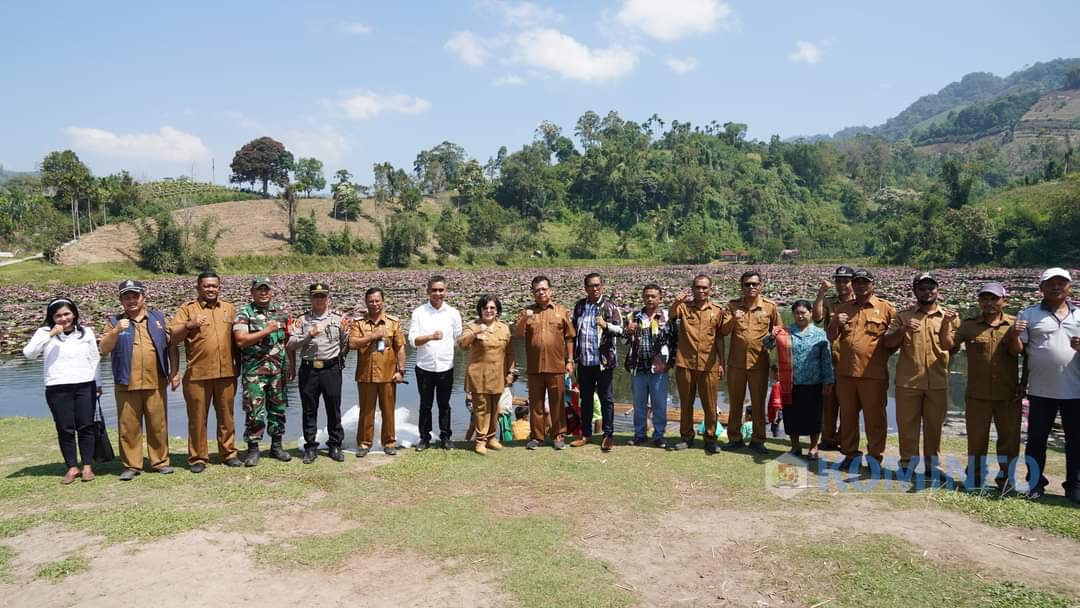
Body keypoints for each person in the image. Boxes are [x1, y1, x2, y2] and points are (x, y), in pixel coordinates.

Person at [1012, 267, 1080, 504]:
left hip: (1075, 390)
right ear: (1041, 287)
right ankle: (1035, 483)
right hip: (1040, 390)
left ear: (1070, 287)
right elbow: (1021, 353)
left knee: (1076, 442)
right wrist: (1022, 382)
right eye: (1051, 283)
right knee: (1036, 440)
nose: (1056, 286)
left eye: (1062, 282)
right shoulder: (1028, 314)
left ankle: (1074, 486)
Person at [99, 280, 178, 481]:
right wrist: (116, 330)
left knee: (158, 424)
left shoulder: (158, 318)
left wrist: (175, 372)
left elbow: (172, 345)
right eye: (127, 297)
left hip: (156, 381)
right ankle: (132, 465)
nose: (131, 300)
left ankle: (160, 462)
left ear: (144, 297)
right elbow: (104, 349)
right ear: (121, 300)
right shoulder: (113, 320)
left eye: (135, 296)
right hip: (126, 382)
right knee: (128, 426)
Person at [883, 273, 958, 479]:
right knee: (907, 425)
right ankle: (907, 463)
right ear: (915, 291)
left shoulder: (949, 316)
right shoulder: (903, 316)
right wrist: (904, 330)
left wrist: (947, 325)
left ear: (937, 290)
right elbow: (888, 343)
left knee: (935, 426)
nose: (927, 292)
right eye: (922, 288)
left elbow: (951, 347)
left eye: (931, 288)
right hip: (908, 380)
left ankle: (933, 465)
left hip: (938, 379)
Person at [169, 272, 242, 473]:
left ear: (219, 287)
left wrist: (239, 367)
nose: (211, 289)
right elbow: (172, 338)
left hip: (226, 372)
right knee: (197, 418)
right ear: (198, 287)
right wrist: (189, 325)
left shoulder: (228, 308)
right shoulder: (187, 309)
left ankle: (229, 453)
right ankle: (198, 457)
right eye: (207, 286)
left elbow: (238, 340)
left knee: (227, 416)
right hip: (197, 374)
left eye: (214, 286)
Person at [22, 298, 101, 484]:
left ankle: (87, 466)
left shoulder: (85, 332)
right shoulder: (44, 332)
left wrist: (98, 384)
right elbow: (29, 354)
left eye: (67, 314)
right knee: (65, 428)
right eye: (58, 315)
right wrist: (50, 334)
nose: (63, 319)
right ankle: (72, 467)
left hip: (85, 384)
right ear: (51, 317)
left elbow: (94, 358)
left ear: (74, 314)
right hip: (57, 387)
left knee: (86, 425)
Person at [951, 282, 1021, 490]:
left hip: (1007, 392)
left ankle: (1006, 480)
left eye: (994, 299)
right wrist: (947, 326)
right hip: (977, 393)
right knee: (976, 439)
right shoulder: (969, 325)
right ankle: (974, 477)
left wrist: (1023, 383)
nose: (989, 303)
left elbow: (1022, 354)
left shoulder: (1014, 324)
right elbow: (950, 346)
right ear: (979, 301)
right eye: (985, 299)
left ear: (1004, 301)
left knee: (1008, 440)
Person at [827, 269, 896, 471]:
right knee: (847, 418)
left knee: (874, 419)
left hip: (872, 374)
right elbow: (831, 336)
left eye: (865, 282)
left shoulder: (886, 309)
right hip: (846, 373)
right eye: (857, 282)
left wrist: (882, 359)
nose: (860, 286)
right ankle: (850, 455)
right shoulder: (844, 308)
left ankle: (875, 457)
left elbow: (895, 340)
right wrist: (833, 322)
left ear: (873, 284)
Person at [287, 282, 350, 464]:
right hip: (309, 369)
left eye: (323, 296)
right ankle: (310, 447)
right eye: (316, 296)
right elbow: (290, 344)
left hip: (331, 369)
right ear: (310, 298)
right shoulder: (302, 320)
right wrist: (309, 336)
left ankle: (335, 445)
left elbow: (347, 343)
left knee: (333, 408)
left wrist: (339, 361)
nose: (320, 299)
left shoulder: (339, 319)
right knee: (309, 409)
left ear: (328, 298)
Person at [721, 270, 782, 454]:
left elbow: (779, 330)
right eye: (747, 284)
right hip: (736, 364)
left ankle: (758, 440)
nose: (751, 287)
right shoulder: (731, 306)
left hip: (759, 363)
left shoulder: (770, 307)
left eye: (754, 284)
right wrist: (734, 318)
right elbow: (723, 331)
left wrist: (774, 337)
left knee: (758, 403)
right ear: (741, 287)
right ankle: (734, 438)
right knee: (735, 402)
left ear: (761, 285)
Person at [233, 276, 291, 467]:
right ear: (253, 292)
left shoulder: (281, 312)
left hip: (278, 371)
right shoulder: (244, 313)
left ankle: (276, 446)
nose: (263, 292)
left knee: (278, 409)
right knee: (254, 410)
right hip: (254, 372)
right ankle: (253, 449)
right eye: (260, 289)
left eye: (267, 289)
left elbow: (287, 341)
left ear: (272, 292)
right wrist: (266, 330)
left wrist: (291, 366)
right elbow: (240, 340)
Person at [515, 275, 575, 450]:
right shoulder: (527, 312)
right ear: (533, 293)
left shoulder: (561, 311)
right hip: (534, 367)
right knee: (536, 404)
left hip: (556, 365)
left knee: (557, 403)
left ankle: (558, 436)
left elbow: (569, 337)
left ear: (550, 291)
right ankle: (537, 437)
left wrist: (570, 360)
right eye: (537, 290)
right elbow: (518, 335)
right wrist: (524, 319)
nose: (540, 292)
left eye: (543, 289)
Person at [668, 274, 726, 453]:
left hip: (709, 364)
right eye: (698, 287)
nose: (701, 291)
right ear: (692, 289)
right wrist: (676, 302)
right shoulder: (684, 308)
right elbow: (670, 316)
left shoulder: (717, 310)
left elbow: (719, 339)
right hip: (685, 363)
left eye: (704, 287)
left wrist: (722, 362)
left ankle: (710, 438)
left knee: (710, 404)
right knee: (686, 403)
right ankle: (686, 437)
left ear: (710, 289)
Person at [769, 300, 834, 460]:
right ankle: (795, 446)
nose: (800, 316)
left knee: (814, 416)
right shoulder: (785, 332)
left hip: (814, 381)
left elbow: (826, 359)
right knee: (792, 416)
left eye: (803, 313)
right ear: (793, 314)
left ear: (811, 313)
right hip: (790, 382)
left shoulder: (820, 334)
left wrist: (828, 380)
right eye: (797, 313)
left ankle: (813, 448)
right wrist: (772, 335)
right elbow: (766, 345)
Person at [349, 287, 407, 457]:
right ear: (366, 302)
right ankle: (364, 444)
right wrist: (372, 336)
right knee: (366, 411)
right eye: (371, 301)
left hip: (388, 375)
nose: (374, 304)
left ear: (382, 301)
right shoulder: (359, 323)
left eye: (377, 300)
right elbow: (352, 344)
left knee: (388, 410)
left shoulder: (392, 322)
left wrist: (401, 371)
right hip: (366, 374)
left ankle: (389, 442)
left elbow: (400, 348)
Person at [408, 275, 463, 451]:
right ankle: (424, 437)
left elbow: (458, 338)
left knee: (444, 404)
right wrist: (430, 337)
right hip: (425, 367)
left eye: (441, 290)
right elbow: (412, 340)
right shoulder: (419, 312)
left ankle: (445, 436)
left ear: (446, 291)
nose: (437, 293)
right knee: (425, 405)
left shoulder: (453, 313)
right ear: (428, 291)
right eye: (434, 290)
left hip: (446, 367)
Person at [457, 294, 516, 455]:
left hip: (498, 374)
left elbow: (509, 353)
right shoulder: (472, 326)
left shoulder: (504, 328)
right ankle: (480, 440)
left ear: (497, 311)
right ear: (480, 310)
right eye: (485, 308)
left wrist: (511, 372)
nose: (489, 311)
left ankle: (491, 438)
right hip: (478, 375)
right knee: (481, 408)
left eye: (492, 308)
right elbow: (461, 344)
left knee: (495, 408)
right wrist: (475, 334)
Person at [571, 273, 624, 451]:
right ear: (585, 288)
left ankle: (608, 435)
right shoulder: (579, 306)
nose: (594, 288)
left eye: (597, 285)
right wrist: (571, 359)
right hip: (584, 362)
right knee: (585, 399)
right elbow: (573, 332)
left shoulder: (609, 307)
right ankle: (585, 434)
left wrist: (606, 325)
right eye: (591, 286)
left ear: (602, 286)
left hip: (603, 363)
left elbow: (621, 330)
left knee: (606, 399)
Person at [623, 283, 676, 448]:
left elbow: (675, 341)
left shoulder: (667, 317)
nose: (650, 299)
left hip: (659, 369)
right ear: (643, 297)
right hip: (638, 367)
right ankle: (640, 434)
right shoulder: (633, 316)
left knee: (659, 404)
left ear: (660, 298)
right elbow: (624, 340)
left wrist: (670, 363)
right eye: (647, 296)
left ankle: (659, 435)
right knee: (639, 404)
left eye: (653, 296)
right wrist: (628, 331)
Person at [812, 266, 855, 451]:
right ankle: (828, 439)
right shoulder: (830, 302)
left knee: (850, 404)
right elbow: (816, 318)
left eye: (846, 280)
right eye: (838, 280)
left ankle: (844, 438)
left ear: (853, 282)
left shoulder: (859, 302)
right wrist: (821, 293)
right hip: (830, 359)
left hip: (851, 361)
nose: (842, 284)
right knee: (828, 402)